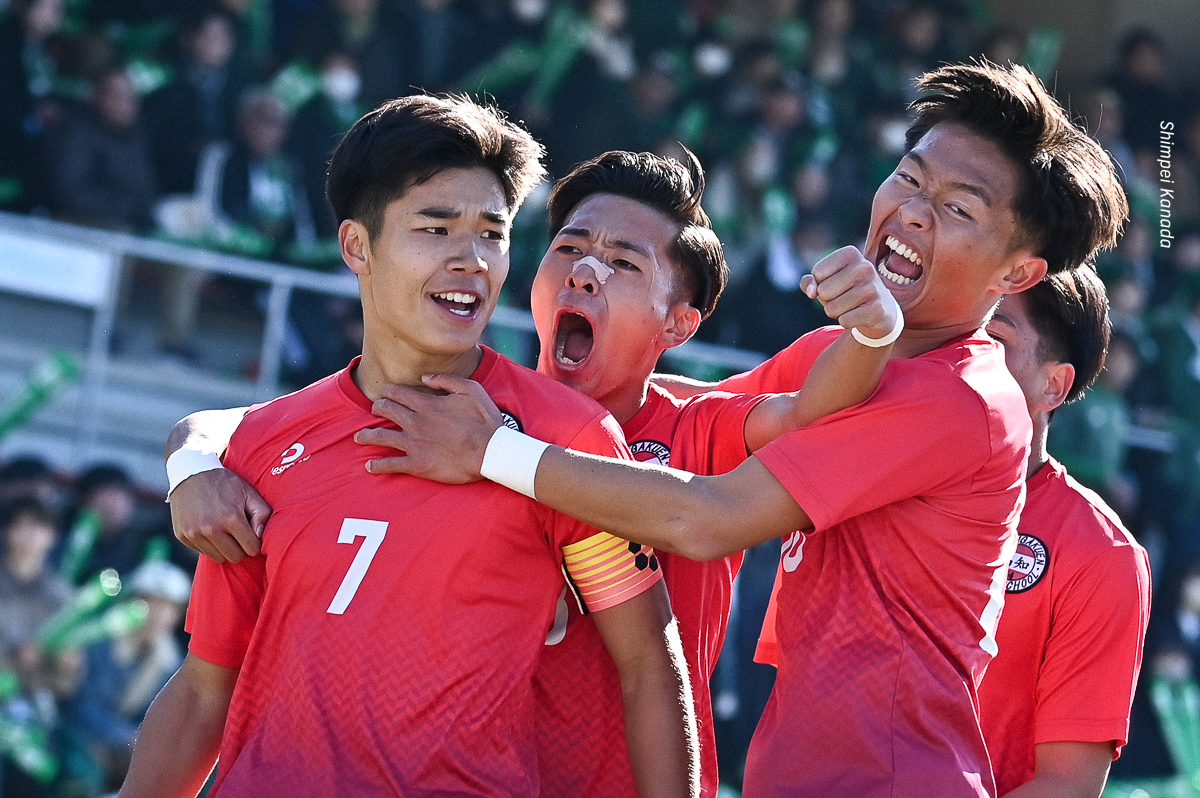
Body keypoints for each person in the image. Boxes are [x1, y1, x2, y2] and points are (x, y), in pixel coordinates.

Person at [356, 62, 1129, 797]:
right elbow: (680, 418)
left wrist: (491, 447)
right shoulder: (834, 353)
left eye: (960, 208)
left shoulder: (961, 398)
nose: (915, 210)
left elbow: (705, 516)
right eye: (910, 177)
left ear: (1017, 273)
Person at [162, 146, 900, 797]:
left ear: (678, 324)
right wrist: (191, 460)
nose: (586, 270)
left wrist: (873, 330)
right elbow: (264, 427)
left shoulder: (692, 423)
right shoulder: (456, 418)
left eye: (623, 263)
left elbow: (809, 412)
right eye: (570, 247)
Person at [116, 93, 697, 798]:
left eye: (492, 233)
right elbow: (207, 686)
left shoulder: (564, 439)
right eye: (436, 229)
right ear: (357, 247)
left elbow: (648, 667)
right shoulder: (261, 447)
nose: (471, 260)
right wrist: (190, 460)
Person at [977, 267, 1151, 796]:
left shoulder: (1100, 555)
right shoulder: (867, 492)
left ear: (1053, 385)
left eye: (992, 338)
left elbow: (1067, 785)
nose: (962, 355)